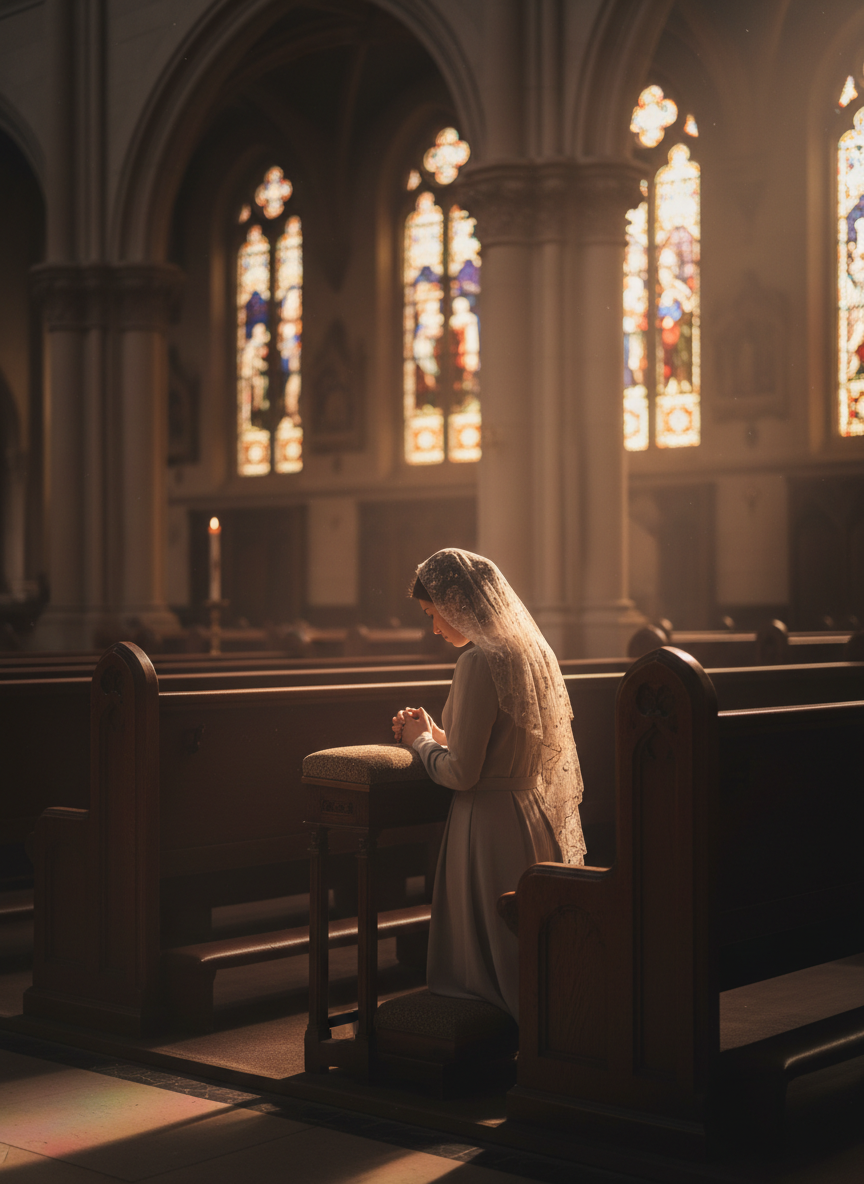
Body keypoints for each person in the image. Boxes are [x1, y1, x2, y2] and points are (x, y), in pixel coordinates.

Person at [392, 548, 585, 1020]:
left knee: (495, 966)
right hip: (528, 816)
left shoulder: (479, 661)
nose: (434, 628)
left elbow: (462, 774)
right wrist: (437, 733)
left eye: (434, 614)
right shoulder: (529, 652)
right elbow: (497, 744)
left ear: (458, 603)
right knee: (526, 948)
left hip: (487, 827)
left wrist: (419, 745)